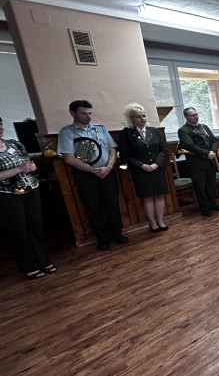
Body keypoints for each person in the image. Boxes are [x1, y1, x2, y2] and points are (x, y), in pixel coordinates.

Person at [58, 100, 128, 251]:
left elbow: (112, 149)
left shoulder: (100, 129)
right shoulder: (67, 132)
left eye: (90, 113)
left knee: (112, 204)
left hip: (107, 172)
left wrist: (108, 167)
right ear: (73, 113)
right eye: (83, 113)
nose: (88, 117)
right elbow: (68, 158)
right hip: (86, 175)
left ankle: (117, 234)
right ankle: (102, 239)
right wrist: (92, 170)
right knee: (93, 207)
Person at [0, 116, 55, 278]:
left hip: (31, 188)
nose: (0, 128)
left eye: (1, 124)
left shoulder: (14, 144)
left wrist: (31, 166)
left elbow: (27, 161)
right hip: (8, 193)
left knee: (36, 227)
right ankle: (29, 267)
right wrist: (18, 169)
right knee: (19, 231)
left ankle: (44, 261)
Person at [118, 103, 169, 231]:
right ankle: (152, 223)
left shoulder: (154, 131)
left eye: (144, 116)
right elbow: (124, 155)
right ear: (132, 118)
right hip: (141, 171)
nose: (142, 119)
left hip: (157, 168)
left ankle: (160, 221)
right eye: (138, 116)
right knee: (148, 197)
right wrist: (141, 165)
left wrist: (156, 163)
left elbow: (163, 150)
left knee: (160, 196)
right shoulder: (127, 133)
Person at [178, 107, 219, 216]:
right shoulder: (183, 130)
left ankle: (212, 204)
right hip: (197, 163)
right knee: (200, 187)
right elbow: (190, 146)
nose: (196, 117)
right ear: (186, 117)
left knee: (211, 185)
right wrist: (206, 153)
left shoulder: (204, 127)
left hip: (210, 161)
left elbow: (214, 140)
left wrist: (213, 151)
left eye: (196, 114)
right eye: (192, 115)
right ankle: (204, 207)